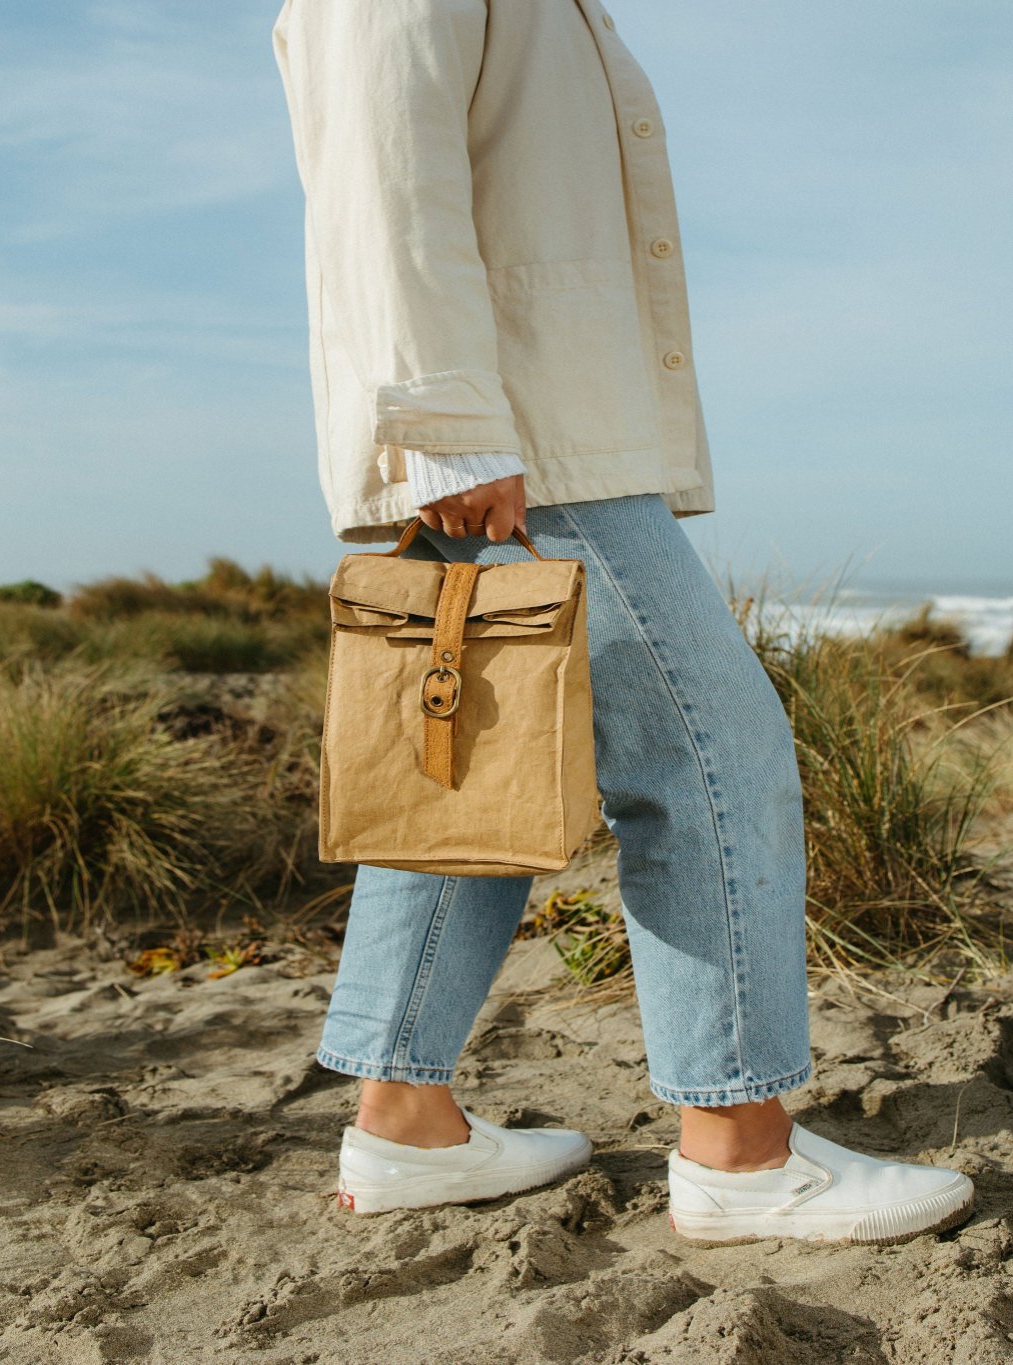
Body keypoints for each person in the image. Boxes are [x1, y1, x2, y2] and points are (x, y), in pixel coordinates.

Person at [271, 0, 975, 1243]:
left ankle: (404, 1124)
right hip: (520, 441)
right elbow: (382, 164)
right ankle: (739, 1156)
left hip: (524, 430)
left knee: (468, 776)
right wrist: (446, 424)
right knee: (713, 761)